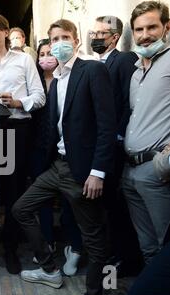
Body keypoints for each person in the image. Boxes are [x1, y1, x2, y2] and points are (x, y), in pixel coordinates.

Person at [12, 19, 116, 295]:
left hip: (83, 172)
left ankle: (98, 292)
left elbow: (108, 126)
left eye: (65, 37)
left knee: (95, 240)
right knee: (21, 209)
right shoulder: (56, 81)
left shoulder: (93, 70)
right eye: (54, 38)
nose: (59, 43)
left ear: (77, 40)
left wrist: (98, 172)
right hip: (57, 167)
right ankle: (48, 269)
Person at [0, 12, 46, 275]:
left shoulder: (24, 60)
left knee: (13, 192)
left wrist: (18, 102)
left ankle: (10, 250)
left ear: (6, 32)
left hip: (15, 130)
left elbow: (40, 97)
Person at [90, 15, 144, 276]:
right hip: (102, 146)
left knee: (120, 206)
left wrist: (119, 136)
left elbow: (127, 101)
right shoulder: (96, 63)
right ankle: (116, 252)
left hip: (117, 146)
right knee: (109, 206)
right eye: (94, 32)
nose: (95, 37)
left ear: (115, 37)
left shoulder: (124, 60)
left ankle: (128, 258)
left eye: (101, 33)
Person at [122, 0, 170, 265]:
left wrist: (166, 161)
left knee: (165, 248)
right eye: (139, 29)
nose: (145, 35)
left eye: (152, 27)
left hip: (158, 172)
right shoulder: (136, 71)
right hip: (131, 172)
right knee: (148, 248)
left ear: (167, 27)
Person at [32, 39, 83, 276]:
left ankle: (74, 248)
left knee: (68, 202)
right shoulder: (35, 81)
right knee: (40, 200)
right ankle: (48, 243)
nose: (45, 57)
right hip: (41, 149)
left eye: (48, 52)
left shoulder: (69, 78)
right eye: (41, 53)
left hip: (65, 153)